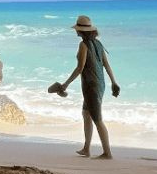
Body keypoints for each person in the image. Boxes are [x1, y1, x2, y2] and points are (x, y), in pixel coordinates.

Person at [51, 15, 120, 159]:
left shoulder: (83, 45)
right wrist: (113, 82)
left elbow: (80, 68)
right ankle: (86, 148)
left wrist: (65, 84)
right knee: (86, 114)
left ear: (81, 31)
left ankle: (107, 153)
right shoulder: (99, 44)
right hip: (99, 84)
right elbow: (106, 65)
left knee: (97, 119)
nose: (76, 31)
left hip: (91, 86)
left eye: (77, 29)